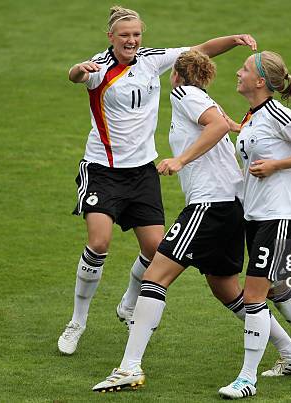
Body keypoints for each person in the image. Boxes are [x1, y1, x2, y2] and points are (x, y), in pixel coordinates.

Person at [91, 50, 291, 393]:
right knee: (226, 289)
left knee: (155, 276)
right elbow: (223, 125)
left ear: (176, 76)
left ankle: (129, 366)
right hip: (229, 206)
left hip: (210, 205)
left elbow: (218, 126)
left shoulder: (184, 94)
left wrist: (180, 159)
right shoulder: (204, 99)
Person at [57, 4, 258, 355]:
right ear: (111, 37)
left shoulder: (152, 59)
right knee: (99, 242)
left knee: (155, 249)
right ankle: (77, 322)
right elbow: (76, 77)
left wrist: (235, 39)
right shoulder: (99, 68)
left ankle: (128, 304)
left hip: (142, 172)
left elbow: (200, 51)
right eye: (125, 35)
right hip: (102, 170)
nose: (132, 40)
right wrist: (78, 69)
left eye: (136, 34)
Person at [218, 51, 291, 400]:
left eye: (244, 69)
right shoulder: (255, 115)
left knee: (252, 297)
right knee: (274, 288)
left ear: (260, 81)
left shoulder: (277, 113)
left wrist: (277, 165)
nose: (237, 73)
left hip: (278, 218)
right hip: (256, 217)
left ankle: (247, 378)